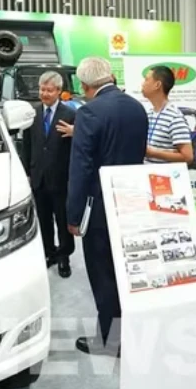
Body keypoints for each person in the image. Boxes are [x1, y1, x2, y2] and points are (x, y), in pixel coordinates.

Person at [66, 57, 148, 356]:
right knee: (127, 271)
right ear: (110, 76)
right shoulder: (137, 107)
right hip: (132, 201)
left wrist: (73, 214)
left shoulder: (88, 112)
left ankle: (110, 340)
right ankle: (131, 330)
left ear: (84, 85)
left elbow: (81, 168)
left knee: (103, 275)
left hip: (99, 207)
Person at [22, 71, 76, 279]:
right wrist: (27, 171)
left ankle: (64, 256)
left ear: (59, 91)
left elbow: (75, 148)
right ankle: (49, 252)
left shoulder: (70, 114)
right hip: (38, 177)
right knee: (43, 220)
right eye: (42, 89)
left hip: (61, 178)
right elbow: (27, 145)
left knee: (63, 220)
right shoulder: (32, 113)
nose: (44, 93)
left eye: (49, 90)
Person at [141, 65, 194, 165]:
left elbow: (188, 157)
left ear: (157, 85)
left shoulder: (174, 117)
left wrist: (152, 153)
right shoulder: (149, 114)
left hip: (164, 174)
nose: (142, 84)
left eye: (146, 80)